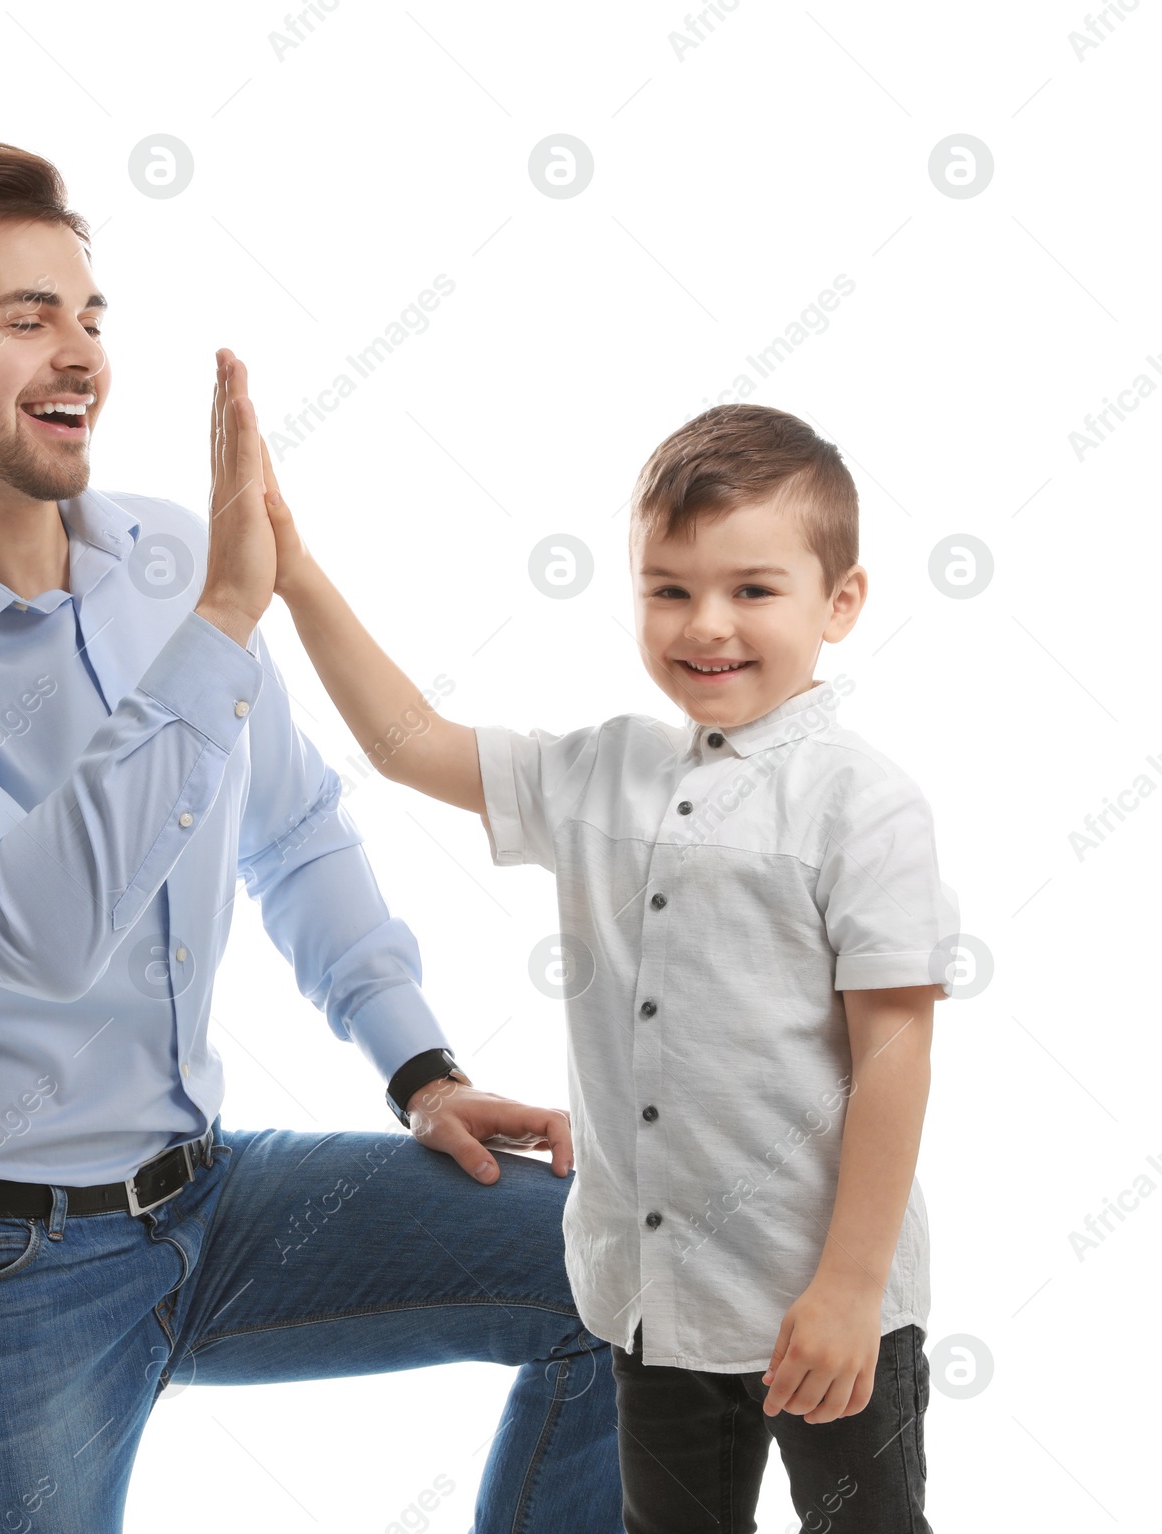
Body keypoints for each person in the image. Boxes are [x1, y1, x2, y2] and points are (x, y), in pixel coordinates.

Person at [0, 142, 623, 1531]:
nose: (82, 353)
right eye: (26, 317)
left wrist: (422, 1068)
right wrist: (222, 621)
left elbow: (293, 831)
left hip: (209, 1201)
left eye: (91, 315)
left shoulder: (166, 557)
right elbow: (33, 926)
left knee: (623, 1279)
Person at [258, 400, 956, 1531]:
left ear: (841, 603)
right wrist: (293, 575)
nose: (705, 623)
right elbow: (406, 744)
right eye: (668, 588)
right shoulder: (606, 771)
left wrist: (850, 1288)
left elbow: (894, 1046)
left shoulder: (861, 801)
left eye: (752, 589)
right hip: (655, 1310)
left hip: (822, 1307)